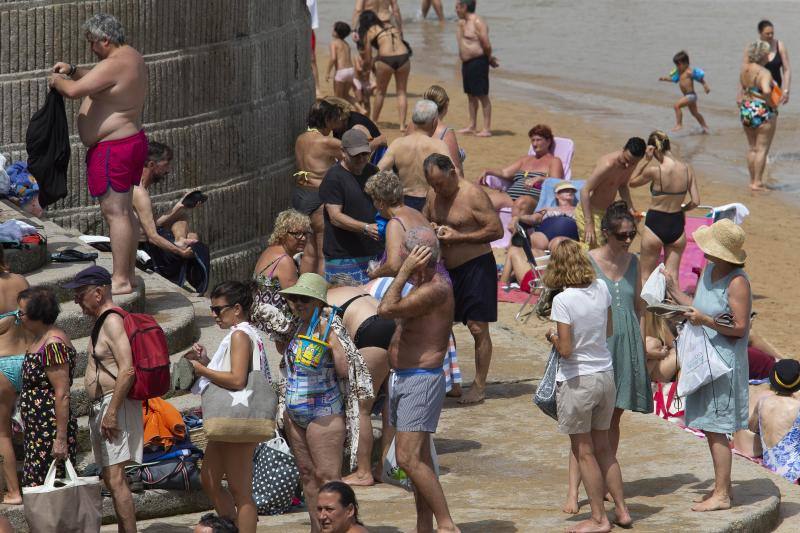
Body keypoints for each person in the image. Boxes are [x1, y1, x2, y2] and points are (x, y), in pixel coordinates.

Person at [50, 13, 148, 295]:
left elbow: (75, 90)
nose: (91, 47)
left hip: (114, 149)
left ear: (106, 39)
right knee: (124, 211)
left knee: (115, 213)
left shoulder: (115, 63)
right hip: (130, 141)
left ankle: (119, 279)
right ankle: (127, 274)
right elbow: (95, 80)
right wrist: (72, 69)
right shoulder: (131, 57)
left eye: (93, 42)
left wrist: (58, 80)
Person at [543, 239, 632, 531]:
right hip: (605, 374)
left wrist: (552, 337)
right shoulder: (601, 288)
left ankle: (598, 518)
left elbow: (566, 350)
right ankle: (622, 510)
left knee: (584, 451)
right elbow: (608, 330)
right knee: (605, 448)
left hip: (577, 379)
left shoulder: (563, 300)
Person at [664, 219, 751, 511]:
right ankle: (720, 488)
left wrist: (705, 321)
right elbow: (696, 306)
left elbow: (739, 328)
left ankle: (723, 494)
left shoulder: (737, 282)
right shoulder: (711, 270)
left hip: (723, 363)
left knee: (717, 428)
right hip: (704, 356)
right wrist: (672, 291)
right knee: (708, 426)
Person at [566, 202, 649, 509]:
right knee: (582, 427)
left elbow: (639, 308)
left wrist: (640, 350)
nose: (627, 240)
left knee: (612, 423)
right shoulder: (588, 262)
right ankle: (573, 492)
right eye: (621, 235)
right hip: (595, 347)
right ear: (606, 234)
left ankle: (598, 482)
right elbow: (571, 306)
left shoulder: (635, 261)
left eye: (631, 234)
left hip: (625, 347)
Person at [378, 229, 460, 533]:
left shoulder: (435, 289)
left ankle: (448, 525)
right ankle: (424, 524)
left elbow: (385, 309)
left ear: (419, 258)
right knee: (421, 459)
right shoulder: (422, 284)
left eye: (405, 255)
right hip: (405, 378)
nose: (400, 259)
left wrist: (403, 273)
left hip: (420, 380)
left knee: (407, 458)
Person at [186, 282, 268, 533]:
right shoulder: (240, 333)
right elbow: (231, 373)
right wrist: (207, 362)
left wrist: (200, 369)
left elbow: (236, 380)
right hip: (229, 415)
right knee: (209, 478)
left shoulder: (240, 334)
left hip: (239, 417)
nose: (213, 314)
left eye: (217, 309)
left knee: (240, 489)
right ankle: (229, 527)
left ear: (237, 308)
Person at [423, 154, 503, 405]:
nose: (438, 189)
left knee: (478, 328)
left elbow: (496, 230)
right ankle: (453, 382)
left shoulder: (473, 195)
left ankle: (479, 385)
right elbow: (424, 219)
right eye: (433, 184)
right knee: (441, 325)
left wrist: (458, 237)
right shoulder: (433, 194)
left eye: (441, 183)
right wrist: (433, 227)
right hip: (446, 269)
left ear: (453, 173)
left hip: (476, 266)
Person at [66, 265, 140, 532]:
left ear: (98, 292)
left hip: (113, 404)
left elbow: (127, 368)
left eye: (79, 293)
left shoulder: (112, 320)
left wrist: (111, 411)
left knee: (116, 477)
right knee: (111, 477)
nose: (75, 300)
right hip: (105, 405)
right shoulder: (103, 321)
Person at [279, 274, 350, 533]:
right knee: (307, 475)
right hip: (294, 411)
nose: (298, 304)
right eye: (294, 298)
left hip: (324, 411)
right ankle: (316, 529)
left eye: (305, 299)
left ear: (318, 302)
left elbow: (343, 370)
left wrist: (332, 344)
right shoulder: (295, 326)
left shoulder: (330, 327)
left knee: (329, 478)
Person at [327, 285, 393, 486]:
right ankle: (385, 468)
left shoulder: (323, 303)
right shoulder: (353, 291)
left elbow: (340, 362)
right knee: (388, 404)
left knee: (361, 406)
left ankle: (363, 472)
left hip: (370, 330)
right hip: (392, 325)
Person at [17, 287, 78, 486]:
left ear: (36, 315)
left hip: (50, 431)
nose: (19, 317)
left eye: (22, 313)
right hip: (37, 430)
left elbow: (62, 393)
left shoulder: (53, 344)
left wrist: (60, 439)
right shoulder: (39, 339)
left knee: (49, 489)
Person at [133, 142, 210, 294]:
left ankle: (180, 239)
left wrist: (179, 206)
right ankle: (180, 244)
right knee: (195, 242)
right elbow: (153, 236)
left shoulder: (140, 187)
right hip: (142, 248)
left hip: (148, 240)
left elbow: (150, 224)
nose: (168, 170)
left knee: (181, 215)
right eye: (166, 164)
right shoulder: (140, 193)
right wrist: (178, 252)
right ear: (152, 164)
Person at [628, 130, 700, 288]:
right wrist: (683, 210)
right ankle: (671, 311)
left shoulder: (655, 170)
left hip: (655, 223)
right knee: (672, 277)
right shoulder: (687, 169)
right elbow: (695, 201)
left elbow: (631, 182)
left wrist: (645, 160)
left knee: (645, 275)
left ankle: (644, 312)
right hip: (676, 224)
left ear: (653, 149)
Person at [319, 128, 384, 284]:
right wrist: (366, 228)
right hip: (344, 259)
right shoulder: (334, 178)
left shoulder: (373, 171)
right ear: (343, 152)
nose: (362, 159)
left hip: (373, 254)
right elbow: (335, 217)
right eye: (356, 155)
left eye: (365, 154)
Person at [293, 100, 343, 275]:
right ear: (327, 119)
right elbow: (355, 156)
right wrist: (378, 141)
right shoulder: (327, 142)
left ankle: (305, 289)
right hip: (319, 196)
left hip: (300, 195)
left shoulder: (300, 139)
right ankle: (320, 294)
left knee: (308, 250)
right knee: (322, 251)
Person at [480, 124, 565, 226]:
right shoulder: (526, 159)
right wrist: (488, 170)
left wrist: (540, 178)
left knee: (521, 202)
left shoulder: (554, 161)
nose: (534, 143)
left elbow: (556, 182)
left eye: (538, 140)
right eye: (532, 140)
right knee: (487, 201)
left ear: (548, 141)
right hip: (511, 197)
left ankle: (515, 237)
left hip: (535, 200)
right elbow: (505, 173)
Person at [377, 100, 452, 211]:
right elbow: (453, 175)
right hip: (430, 202)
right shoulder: (439, 146)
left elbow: (378, 171)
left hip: (403, 202)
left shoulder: (398, 144)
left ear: (413, 121)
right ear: (434, 122)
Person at [252, 209, 310, 351]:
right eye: (296, 234)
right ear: (283, 234)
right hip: (276, 330)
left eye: (305, 233)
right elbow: (295, 304)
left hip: (260, 320)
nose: (303, 238)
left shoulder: (270, 250)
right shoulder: (285, 261)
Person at [577, 137, 645, 250]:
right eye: (626, 160)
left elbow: (622, 185)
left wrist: (631, 209)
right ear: (623, 149)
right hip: (590, 213)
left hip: (608, 214)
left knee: (616, 247)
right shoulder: (607, 165)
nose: (628, 165)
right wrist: (589, 223)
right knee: (594, 251)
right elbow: (585, 191)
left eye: (633, 163)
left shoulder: (631, 162)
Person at [0, 249, 30, 503]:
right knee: (30, 423)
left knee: (2, 434)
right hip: (27, 360)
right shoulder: (20, 281)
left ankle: (13, 492)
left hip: (1, 364)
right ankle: (37, 478)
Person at [365, 169, 431, 278]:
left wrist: (375, 273)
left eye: (374, 200)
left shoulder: (395, 223)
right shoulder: (417, 214)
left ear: (381, 203)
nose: (374, 204)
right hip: (436, 280)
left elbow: (393, 266)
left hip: (417, 285)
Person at [358, 10, 411, 130]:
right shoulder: (391, 26)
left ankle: (374, 122)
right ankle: (402, 125)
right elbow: (397, 44)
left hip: (386, 60)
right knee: (402, 92)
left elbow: (367, 57)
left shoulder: (370, 31)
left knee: (381, 92)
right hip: (404, 58)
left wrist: (368, 68)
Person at [749, 359, 800, 484]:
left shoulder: (762, 402)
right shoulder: (797, 407)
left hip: (771, 467)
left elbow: (752, 427)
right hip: (795, 473)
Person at [456, 0, 498, 138]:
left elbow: (486, 44)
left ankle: (486, 128)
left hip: (478, 62)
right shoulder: (462, 23)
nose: (456, 10)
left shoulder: (478, 22)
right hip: (466, 63)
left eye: (458, 7)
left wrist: (490, 58)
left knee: (482, 95)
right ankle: (472, 125)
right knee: (470, 95)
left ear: (465, 7)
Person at [739, 41, 778, 192]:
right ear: (763, 55)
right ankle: (758, 183)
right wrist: (772, 105)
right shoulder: (764, 72)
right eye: (768, 53)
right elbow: (767, 91)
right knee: (762, 149)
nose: (769, 55)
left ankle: (751, 181)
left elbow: (743, 87)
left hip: (746, 108)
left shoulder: (744, 69)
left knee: (752, 148)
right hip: (761, 109)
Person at [658, 50, 710, 133]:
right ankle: (705, 127)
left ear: (686, 63)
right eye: (676, 65)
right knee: (695, 113)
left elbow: (699, 79)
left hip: (691, 96)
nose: (677, 66)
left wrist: (705, 86)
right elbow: (674, 80)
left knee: (676, 106)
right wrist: (665, 79)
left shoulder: (689, 72)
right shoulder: (679, 73)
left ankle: (679, 124)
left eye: (679, 64)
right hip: (688, 96)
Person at [422, 85, 466, 178]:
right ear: (446, 105)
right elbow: (456, 171)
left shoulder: (414, 126)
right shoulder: (446, 133)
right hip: (435, 185)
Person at [748, 21, 791, 105]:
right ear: (760, 33)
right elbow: (746, 70)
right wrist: (740, 92)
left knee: (772, 115)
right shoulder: (755, 47)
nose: (770, 36)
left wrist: (786, 90)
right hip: (756, 90)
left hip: (775, 89)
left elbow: (786, 69)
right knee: (757, 116)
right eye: (767, 34)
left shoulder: (780, 46)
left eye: (772, 33)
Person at [327, 22, 357, 104]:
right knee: (346, 96)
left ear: (336, 32)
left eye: (333, 28)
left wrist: (327, 72)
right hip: (351, 71)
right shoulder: (346, 44)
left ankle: (339, 116)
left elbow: (333, 58)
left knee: (337, 98)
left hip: (341, 72)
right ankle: (361, 109)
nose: (332, 29)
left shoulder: (334, 43)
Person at [644, 312, 679, 383]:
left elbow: (676, 346)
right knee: (654, 343)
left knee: (677, 352)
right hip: (648, 372)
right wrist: (661, 354)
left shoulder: (659, 325)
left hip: (654, 370)